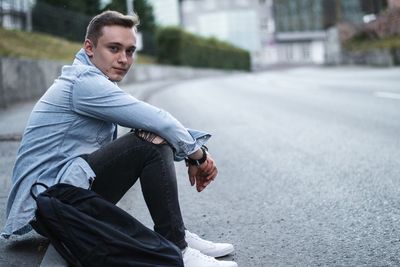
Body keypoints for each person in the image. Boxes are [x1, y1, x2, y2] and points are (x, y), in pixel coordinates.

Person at [1, 10, 238, 267]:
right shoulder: (84, 83)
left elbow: (156, 122)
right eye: (114, 48)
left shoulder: (93, 79)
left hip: (58, 197)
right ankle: (176, 246)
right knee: (149, 143)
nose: (124, 59)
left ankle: (175, 235)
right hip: (50, 205)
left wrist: (192, 150)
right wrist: (199, 156)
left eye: (130, 51)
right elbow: (160, 120)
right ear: (89, 47)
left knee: (152, 136)